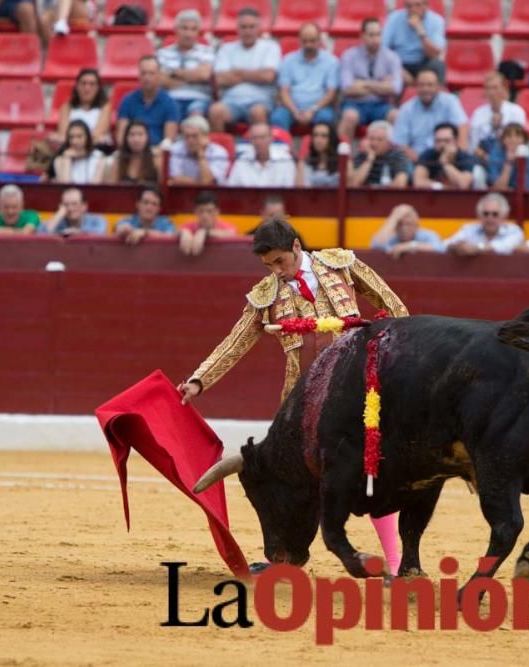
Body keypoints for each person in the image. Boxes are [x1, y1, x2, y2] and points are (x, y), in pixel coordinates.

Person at [177, 217, 408, 577]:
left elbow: (392, 305)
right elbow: (235, 342)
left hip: (357, 391)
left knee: (373, 469)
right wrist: (198, 381)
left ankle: (397, 564)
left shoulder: (341, 264)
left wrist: (404, 360)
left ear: (297, 248)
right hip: (302, 404)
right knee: (290, 479)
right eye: (268, 265)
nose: (276, 272)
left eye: (280, 262)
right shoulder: (265, 294)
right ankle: (283, 558)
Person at [209, 7, 281, 133]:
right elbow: (220, 79)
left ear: (259, 27)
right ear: (237, 28)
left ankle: (258, 151)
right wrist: (255, 74)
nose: (247, 31)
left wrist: (237, 73)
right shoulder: (226, 48)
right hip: (231, 100)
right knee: (216, 111)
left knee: (257, 112)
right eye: (243, 27)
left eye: (251, 27)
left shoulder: (270, 47)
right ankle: (221, 150)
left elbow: (268, 76)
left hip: (260, 100)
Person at [337, 18, 402, 141]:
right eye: (371, 35)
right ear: (362, 36)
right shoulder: (349, 56)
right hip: (355, 104)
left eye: (378, 34)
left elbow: (395, 88)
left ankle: (394, 158)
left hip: (381, 104)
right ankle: (344, 156)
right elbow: (347, 88)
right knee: (349, 116)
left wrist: (362, 83)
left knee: (396, 116)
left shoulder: (392, 57)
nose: (376, 39)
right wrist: (382, 85)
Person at [271, 23, 339, 132]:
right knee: (278, 118)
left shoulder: (331, 62)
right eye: (304, 41)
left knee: (326, 118)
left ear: (319, 40)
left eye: (312, 41)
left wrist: (312, 110)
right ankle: (281, 148)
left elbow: (331, 93)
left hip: (319, 108)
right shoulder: (288, 60)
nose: (308, 45)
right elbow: (284, 91)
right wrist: (295, 111)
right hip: (291, 108)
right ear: (299, 40)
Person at [392, 67, 468, 161]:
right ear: (416, 86)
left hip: (448, 157)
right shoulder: (406, 109)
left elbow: (462, 127)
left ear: (438, 86)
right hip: (416, 159)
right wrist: (420, 161)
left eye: (430, 85)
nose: (425, 89)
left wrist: (459, 156)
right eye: (421, 85)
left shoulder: (450, 102)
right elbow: (400, 143)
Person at [158, 10, 216, 120]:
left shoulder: (207, 52)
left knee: (196, 115)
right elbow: (161, 80)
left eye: (193, 29)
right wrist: (193, 76)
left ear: (198, 32)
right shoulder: (163, 53)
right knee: (170, 111)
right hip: (171, 98)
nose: (188, 34)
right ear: (176, 30)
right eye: (184, 28)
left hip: (199, 98)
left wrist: (173, 73)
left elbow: (204, 75)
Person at [116, 56, 180, 148]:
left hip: (157, 154)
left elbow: (168, 140)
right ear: (139, 75)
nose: (147, 77)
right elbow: (121, 138)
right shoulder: (127, 101)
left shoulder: (170, 103)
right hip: (131, 153)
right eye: (143, 73)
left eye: (151, 73)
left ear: (159, 75)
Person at [382, 0, 446, 85]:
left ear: (426, 5)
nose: (413, 9)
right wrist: (397, 68)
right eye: (409, 6)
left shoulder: (437, 20)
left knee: (438, 65)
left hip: (423, 63)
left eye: (417, 5)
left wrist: (420, 31)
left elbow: (434, 55)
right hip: (399, 62)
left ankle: (438, 97)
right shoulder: (393, 18)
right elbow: (382, 49)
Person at [469, 73, 526, 166]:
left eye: (495, 88)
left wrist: (500, 126)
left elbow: (520, 140)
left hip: (510, 154)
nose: (491, 92)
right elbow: (473, 144)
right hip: (484, 157)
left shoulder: (517, 111)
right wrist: (486, 157)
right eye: (488, 88)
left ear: (504, 89)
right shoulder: (478, 113)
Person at [444, 193, 525, 255]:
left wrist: (477, 248)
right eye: (485, 214)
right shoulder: (469, 229)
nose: (490, 218)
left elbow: (505, 246)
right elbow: (444, 245)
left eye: (495, 214)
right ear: (479, 216)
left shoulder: (514, 231)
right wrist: (456, 247)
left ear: (504, 217)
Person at [54, 68, 111, 148]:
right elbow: (64, 134)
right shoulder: (67, 107)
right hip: (70, 148)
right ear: (77, 86)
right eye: (83, 83)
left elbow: (98, 134)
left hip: (95, 149)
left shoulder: (105, 107)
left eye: (92, 84)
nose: (87, 88)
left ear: (98, 88)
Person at [227, 122, 296, 187]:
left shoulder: (285, 160)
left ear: (271, 138)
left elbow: (290, 191)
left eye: (262, 138)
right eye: (254, 138)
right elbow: (231, 190)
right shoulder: (241, 161)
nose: (258, 142)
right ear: (250, 140)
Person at [167, 115, 230, 186]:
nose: (190, 141)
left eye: (194, 136)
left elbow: (208, 181)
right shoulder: (176, 149)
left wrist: (200, 153)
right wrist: (200, 183)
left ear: (206, 136)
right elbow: (175, 179)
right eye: (187, 136)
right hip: (183, 194)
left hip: (212, 195)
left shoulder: (219, 152)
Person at [412, 122, 476, 190]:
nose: (442, 144)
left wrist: (446, 164)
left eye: (446, 140)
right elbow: (418, 182)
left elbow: (463, 184)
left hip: (460, 198)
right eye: (438, 141)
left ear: (456, 141)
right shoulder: (427, 155)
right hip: (433, 198)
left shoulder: (466, 158)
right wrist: (441, 186)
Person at [349, 120, 411, 187]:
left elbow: (400, 183)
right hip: (364, 196)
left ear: (389, 142)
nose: (374, 143)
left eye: (380, 140)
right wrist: (370, 159)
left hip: (387, 196)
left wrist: (379, 191)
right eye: (371, 139)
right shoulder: (362, 156)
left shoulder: (398, 155)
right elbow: (353, 183)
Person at [177, 190, 239, 256]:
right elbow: (176, 231)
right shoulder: (188, 226)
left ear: (217, 212)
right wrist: (184, 232)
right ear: (195, 212)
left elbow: (232, 233)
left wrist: (205, 232)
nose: (205, 216)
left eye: (209, 211)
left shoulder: (226, 227)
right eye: (200, 211)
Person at [370, 203, 443, 258]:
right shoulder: (392, 238)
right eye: (400, 224)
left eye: (408, 224)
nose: (404, 228)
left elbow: (440, 248)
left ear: (416, 225)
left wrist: (410, 246)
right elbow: (376, 246)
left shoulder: (428, 235)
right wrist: (394, 218)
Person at [46, 120, 105, 184]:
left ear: (87, 138)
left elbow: (95, 187)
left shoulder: (99, 157)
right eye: (71, 137)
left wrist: (84, 153)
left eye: (79, 136)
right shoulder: (59, 160)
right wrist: (67, 158)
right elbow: (65, 185)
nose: (75, 141)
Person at [103, 120, 159, 185]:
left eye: (140, 134)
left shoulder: (156, 159)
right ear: (126, 138)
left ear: (147, 137)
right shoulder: (119, 160)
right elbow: (111, 187)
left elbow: (162, 187)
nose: (136, 139)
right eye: (132, 135)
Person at [487, 123, 529, 191]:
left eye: (518, 136)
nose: (513, 139)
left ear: (524, 140)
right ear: (503, 140)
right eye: (509, 136)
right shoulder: (495, 155)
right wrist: (509, 162)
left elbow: (527, 188)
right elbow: (498, 188)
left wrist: (520, 161)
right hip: (499, 197)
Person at [296, 121, 340, 187]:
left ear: (332, 139)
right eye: (315, 135)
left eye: (324, 136)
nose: (318, 140)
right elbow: (300, 192)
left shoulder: (342, 162)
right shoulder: (303, 163)